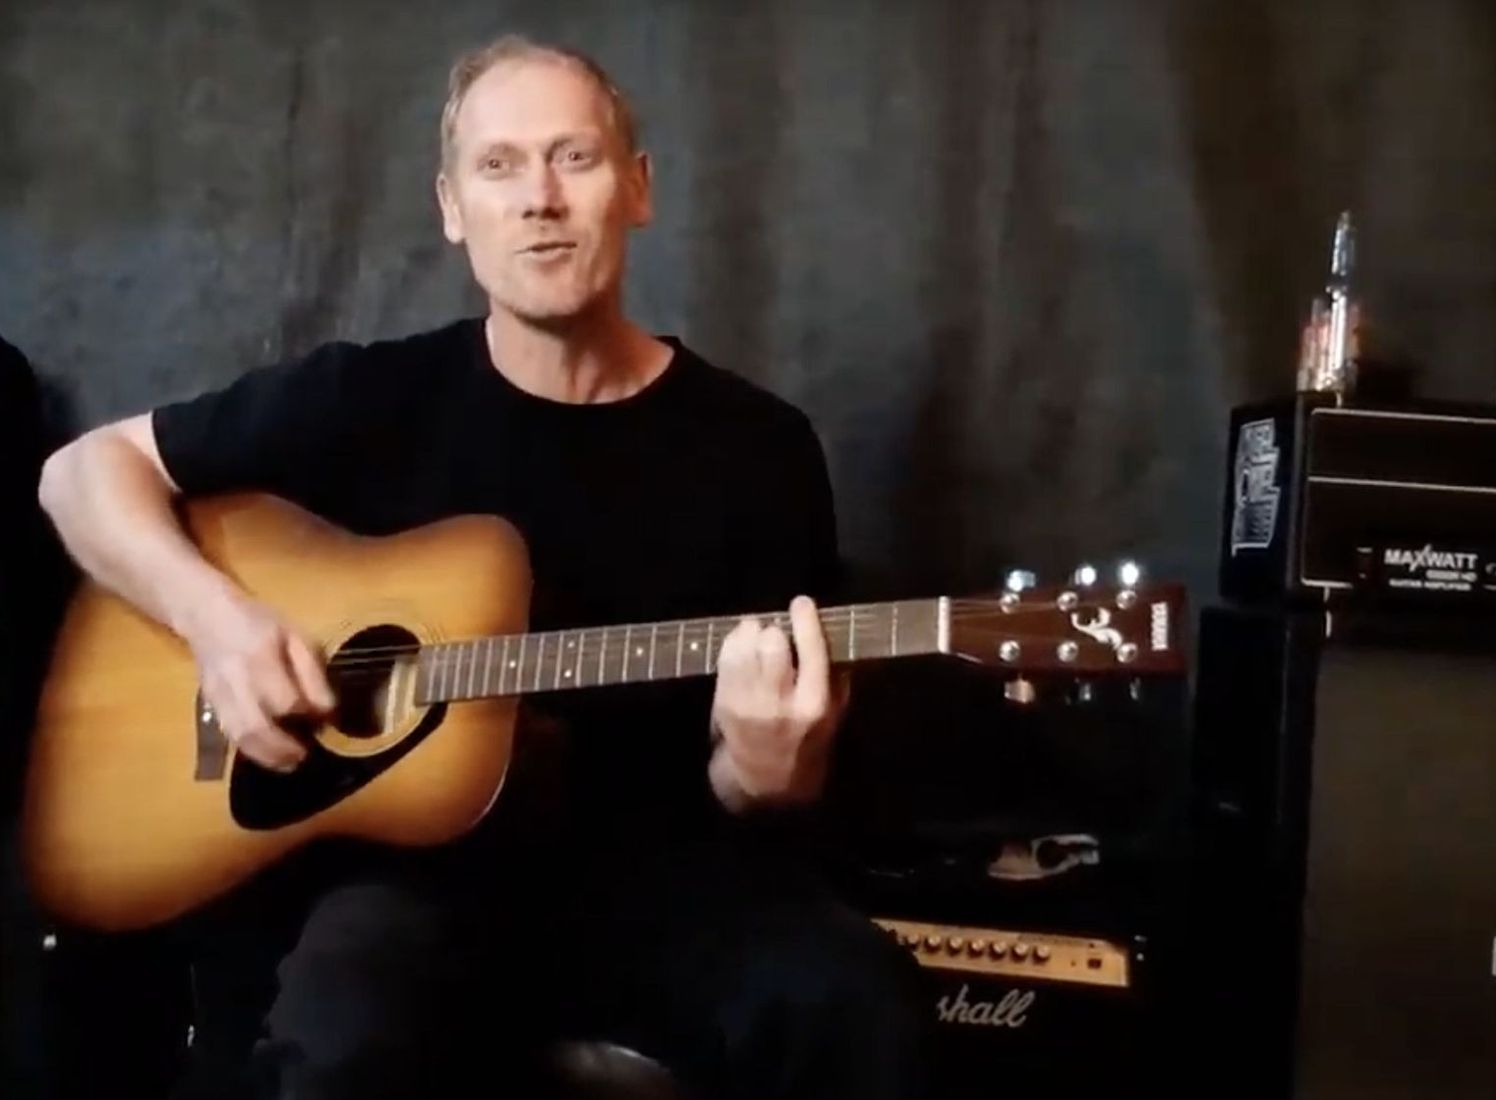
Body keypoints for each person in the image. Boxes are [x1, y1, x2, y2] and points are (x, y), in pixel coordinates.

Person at [36, 33, 931, 1100]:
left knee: (853, 997)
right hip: (412, 885)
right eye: (498, 166)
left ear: (638, 189)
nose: (538, 199)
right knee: (342, 1024)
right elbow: (80, 474)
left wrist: (766, 769)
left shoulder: (759, 446)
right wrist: (218, 624)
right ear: (453, 208)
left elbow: (756, 793)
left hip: (661, 881)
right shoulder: (367, 400)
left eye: (573, 157)